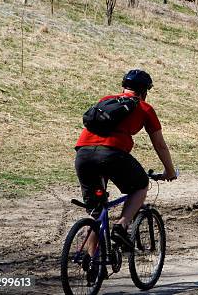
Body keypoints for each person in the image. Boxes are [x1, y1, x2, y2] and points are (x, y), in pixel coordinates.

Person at [75, 69, 177, 249]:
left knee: (97, 213)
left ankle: (92, 266)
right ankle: (121, 226)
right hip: (112, 155)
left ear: (124, 87)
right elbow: (160, 145)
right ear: (144, 91)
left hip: (83, 154)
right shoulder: (144, 108)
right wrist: (169, 171)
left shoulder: (105, 100)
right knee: (141, 185)